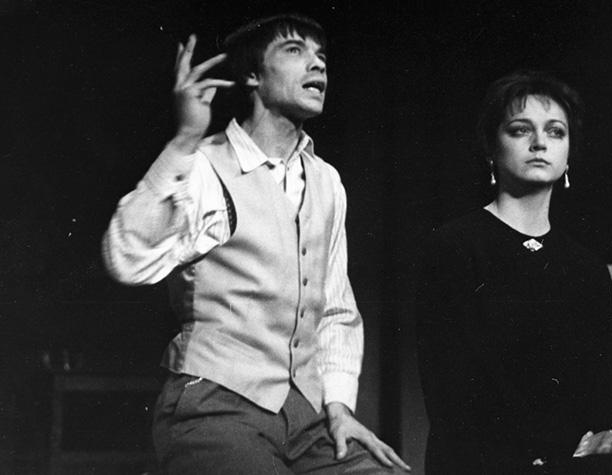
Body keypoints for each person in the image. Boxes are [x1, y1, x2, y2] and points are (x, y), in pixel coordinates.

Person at [103, 13, 409, 474]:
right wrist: (184, 139)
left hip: (305, 418)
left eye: (321, 56)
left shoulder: (326, 181)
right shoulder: (205, 165)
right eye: (295, 51)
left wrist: (339, 407)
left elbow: (335, 307)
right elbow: (126, 258)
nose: (318, 65)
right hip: (214, 406)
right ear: (252, 75)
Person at [415, 70, 612, 474]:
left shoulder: (585, 268)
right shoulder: (453, 247)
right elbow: (453, 399)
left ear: (568, 153)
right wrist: (556, 452)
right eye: (520, 130)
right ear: (491, 147)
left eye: (556, 132)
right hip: (482, 463)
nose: (540, 143)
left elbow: (608, 403)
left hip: (567, 462)